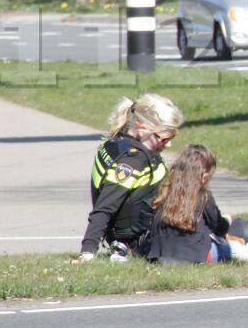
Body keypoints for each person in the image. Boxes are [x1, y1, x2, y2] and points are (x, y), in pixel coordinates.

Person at [78, 93, 183, 262]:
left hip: (140, 236)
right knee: (233, 237)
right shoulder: (133, 160)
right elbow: (105, 207)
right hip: (141, 243)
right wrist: (88, 251)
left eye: (172, 137)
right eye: (165, 138)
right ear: (143, 127)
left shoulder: (119, 142)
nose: (169, 144)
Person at [145, 144, 248, 263]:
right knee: (235, 249)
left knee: (235, 245)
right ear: (204, 176)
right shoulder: (202, 196)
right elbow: (218, 228)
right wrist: (226, 221)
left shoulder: (164, 192)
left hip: (162, 257)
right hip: (193, 256)